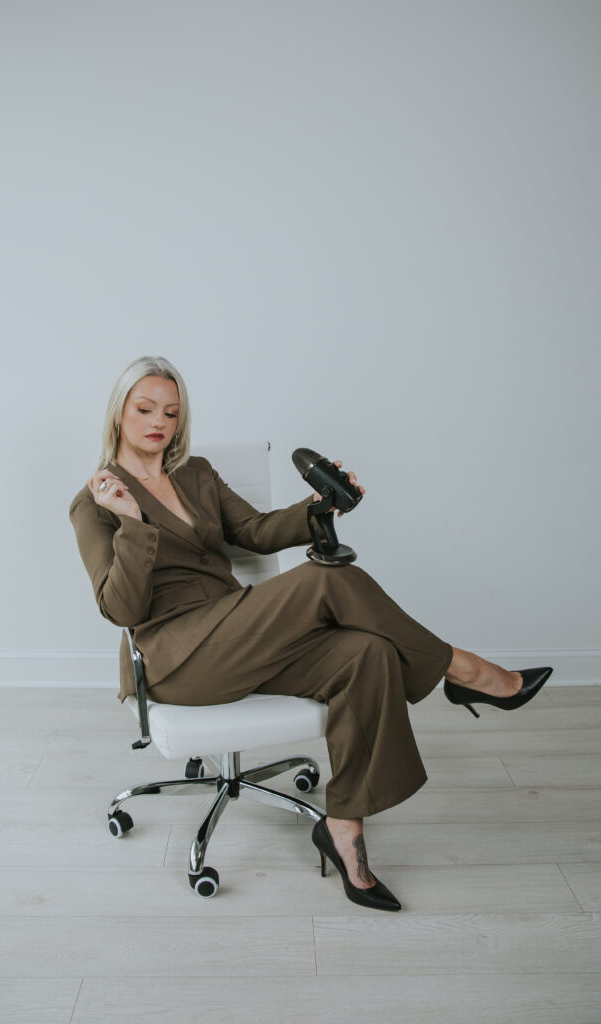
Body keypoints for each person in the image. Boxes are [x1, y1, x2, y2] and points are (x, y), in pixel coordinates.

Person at [69, 355, 553, 912]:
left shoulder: (195, 472)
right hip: (177, 659)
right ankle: (466, 671)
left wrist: (318, 507)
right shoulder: (94, 502)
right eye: (145, 408)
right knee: (328, 577)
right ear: (119, 412)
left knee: (367, 652)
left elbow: (253, 531)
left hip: (237, 632)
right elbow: (121, 608)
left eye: (171, 412)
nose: (159, 421)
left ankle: (344, 828)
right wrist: (131, 521)